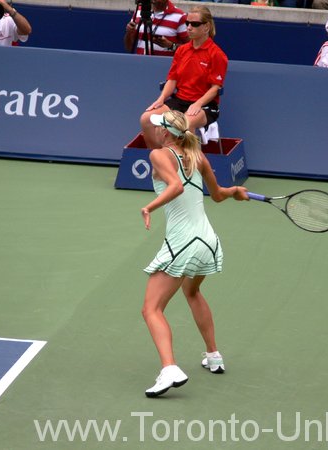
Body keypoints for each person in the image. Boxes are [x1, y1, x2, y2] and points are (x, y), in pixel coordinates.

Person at [140, 110, 248, 397]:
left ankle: (169, 368)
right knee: (192, 292)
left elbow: (175, 187)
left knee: (151, 309)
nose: (157, 131)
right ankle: (213, 355)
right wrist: (235, 189)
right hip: (208, 241)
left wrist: (149, 207)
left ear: (166, 133)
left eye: (160, 128)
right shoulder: (198, 157)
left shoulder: (159, 155)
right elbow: (218, 194)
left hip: (182, 242)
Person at [140, 6, 227, 150]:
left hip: (205, 106)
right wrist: (161, 99)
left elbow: (215, 89)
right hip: (179, 101)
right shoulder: (181, 50)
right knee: (146, 119)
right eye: (187, 23)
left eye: (195, 24)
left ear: (206, 27)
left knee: (185, 123)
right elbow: (172, 80)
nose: (189, 27)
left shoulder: (217, 54)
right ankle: (160, 159)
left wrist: (198, 104)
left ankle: (187, 167)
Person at [124, 0, 189, 56]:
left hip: (165, 67)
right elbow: (129, 48)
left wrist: (171, 46)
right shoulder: (139, 11)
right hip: (141, 65)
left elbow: (190, 49)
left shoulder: (180, 16)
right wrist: (129, 33)